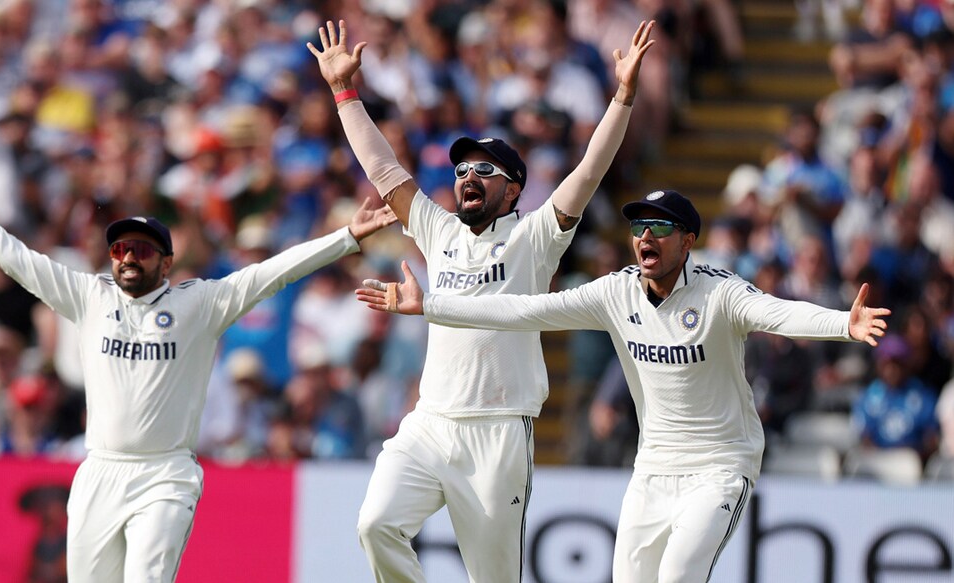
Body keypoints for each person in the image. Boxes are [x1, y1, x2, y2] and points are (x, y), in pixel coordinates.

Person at [357, 189, 891, 582]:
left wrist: (843, 323)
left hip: (720, 467)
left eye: (660, 228)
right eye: (639, 228)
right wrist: (429, 304)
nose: (645, 238)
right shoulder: (616, 293)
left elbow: (778, 313)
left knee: (679, 576)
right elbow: (524, 309)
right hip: (653, 469)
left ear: (688, 241)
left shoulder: (720, 293)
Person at [0, 160, 396, 582]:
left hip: (165, 473)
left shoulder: (201, 302)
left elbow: (274, 271)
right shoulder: (89, 296)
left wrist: (347, 237)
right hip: (100, 469)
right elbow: (18, 260)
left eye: (141, 250)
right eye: (120, 249)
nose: (128, 258)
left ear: (166, 263)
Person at [308, 18, 655, 582]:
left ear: (513, 188)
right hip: (431, 422)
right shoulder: (439, 231)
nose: (467, 175)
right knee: (375, 525)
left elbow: (590, 169)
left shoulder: (533, 238)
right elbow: (381, 167)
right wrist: (344, 92)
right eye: (462, 168)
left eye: (483, 170)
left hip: (499, 432)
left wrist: (623, 95)